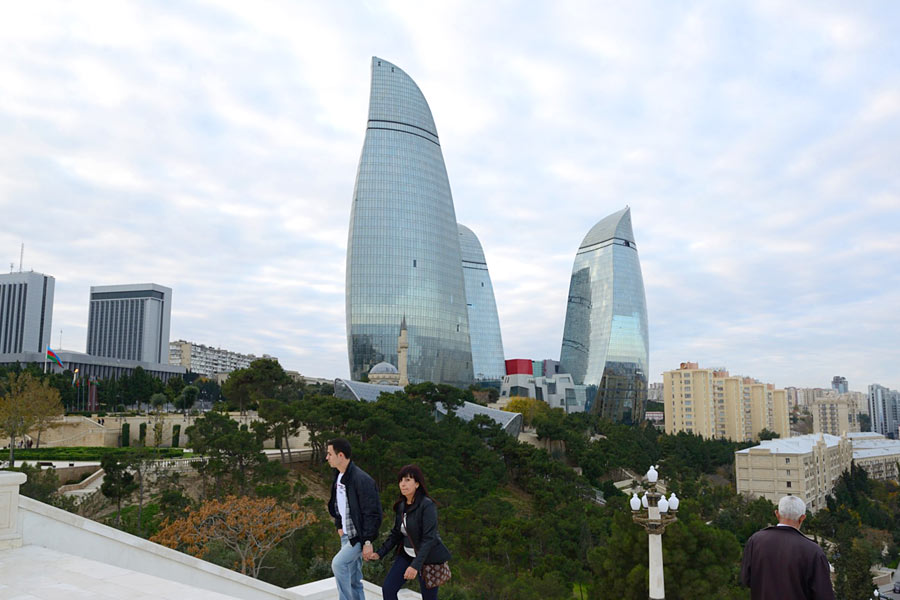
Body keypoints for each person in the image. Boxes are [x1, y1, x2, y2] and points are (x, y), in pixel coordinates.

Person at [368, 465, 451, 600]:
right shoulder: (401, 506)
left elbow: (429, 538)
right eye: (401, 480)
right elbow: (396, 533)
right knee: (388, 589)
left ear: (417, 484)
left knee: (429, 598)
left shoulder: (427, 505)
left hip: (428, 559)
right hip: (407, 554)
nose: (403, 484)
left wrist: (415, 566)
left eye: (407, 480)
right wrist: (379, 553)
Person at [741, 495, 835, 600]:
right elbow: (823, 594)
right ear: (802, 518)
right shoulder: (813, 551)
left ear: (777, 514)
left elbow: (746, 580)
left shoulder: (755, 541)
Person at [326, 438, 382, 600]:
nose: (327, 457)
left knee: (338, 564)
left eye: (330, 454)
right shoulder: (338, 476)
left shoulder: (362, 480)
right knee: (354, 579)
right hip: (346, 535)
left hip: (358, 537)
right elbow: (337, 505)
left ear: (341, 455)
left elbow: (373, 513)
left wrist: (367, 542)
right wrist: (338, 524)